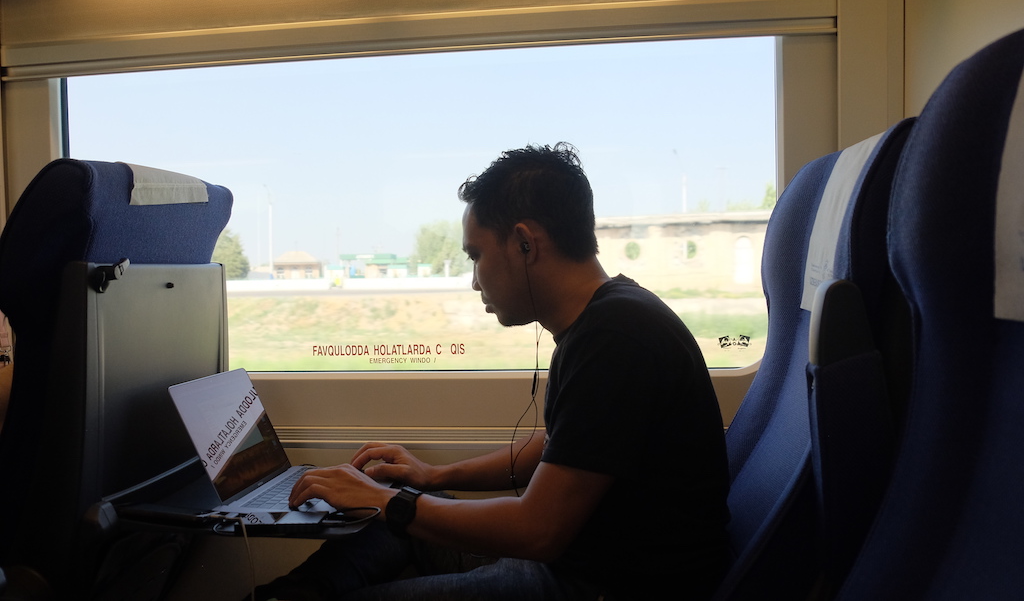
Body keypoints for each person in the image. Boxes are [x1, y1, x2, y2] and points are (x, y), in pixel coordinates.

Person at [257, 142, 731, 601]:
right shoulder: (607, 318)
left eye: (476, 255)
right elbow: (562, 447)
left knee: (390, 509)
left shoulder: (616, 338)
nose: (474, 280)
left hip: (598, 584)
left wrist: (387, 502)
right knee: (390, 513)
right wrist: (431, 476)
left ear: (525, 243)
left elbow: (537, 531)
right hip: (574, 561)